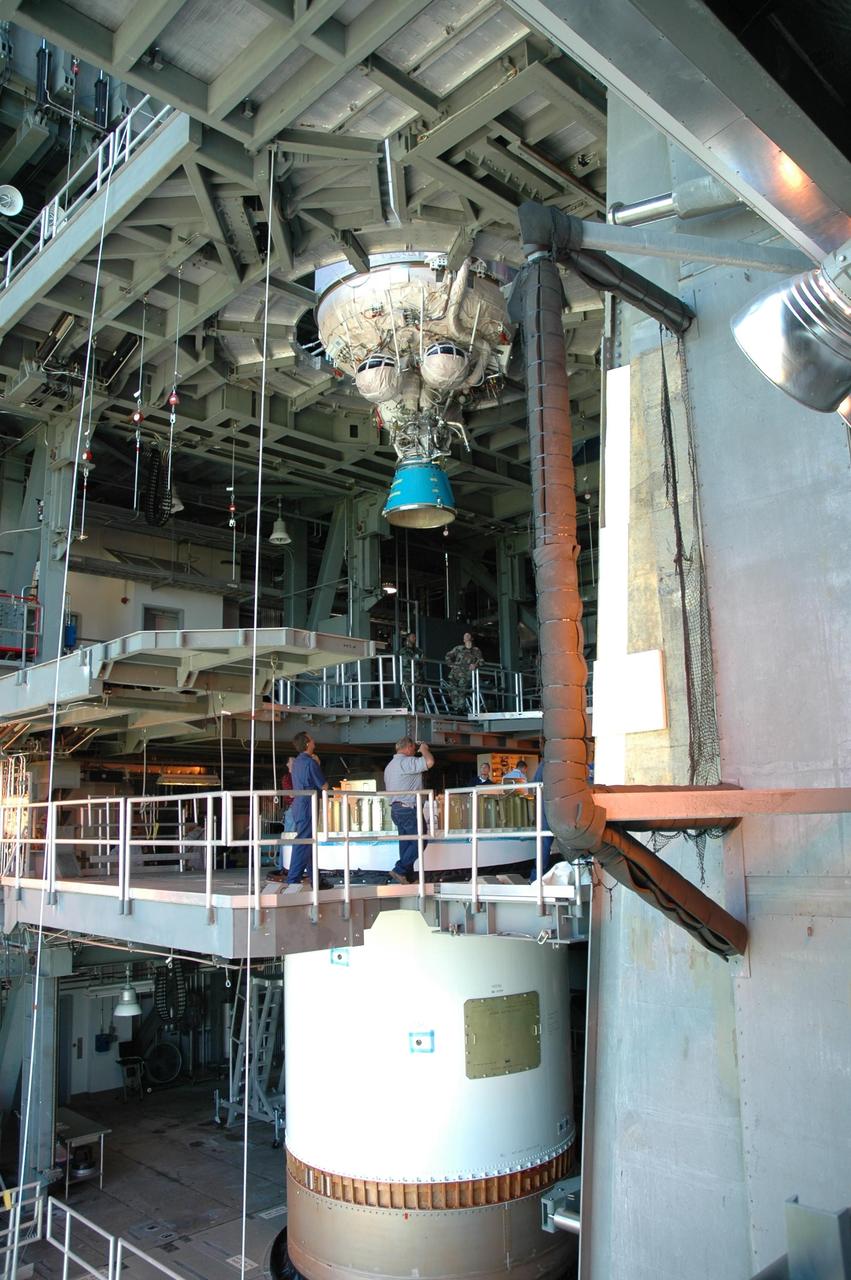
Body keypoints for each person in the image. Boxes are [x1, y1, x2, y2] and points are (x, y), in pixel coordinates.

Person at [384, 736, 434, 884]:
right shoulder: (406, 762)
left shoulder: (389, 766)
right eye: (413, 748)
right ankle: (399, 870)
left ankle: (407, 877)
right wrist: (425, 750)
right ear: (407, 748)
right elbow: (429, 762)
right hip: (408, 808)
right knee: (421, 840)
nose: (415, 751)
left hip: (395, 809)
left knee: (406, 844)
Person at [284, 732, 330, 889]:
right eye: (312, 740)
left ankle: (314, 878)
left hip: (299, 804)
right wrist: (317, 763)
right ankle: (293, 878)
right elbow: (323, 786)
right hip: (308, 805)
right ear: (307, 743)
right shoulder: (310, 763)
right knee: (304, 840)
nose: (314, 743)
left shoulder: (296, 763)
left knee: (307, 840)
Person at [444, 632, 482, 714]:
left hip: (465, 676)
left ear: (471, 638)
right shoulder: (458, 648)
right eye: (465, 636)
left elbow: (482, 661)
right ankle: (456, 708)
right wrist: (450, 664)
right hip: (454, 674)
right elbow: (448, 656)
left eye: (468, 635)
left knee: (461, 692)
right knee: (452, 691)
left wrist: (475, 665)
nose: (467, 637)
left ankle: (460, 710)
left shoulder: (476, 650)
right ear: (463, 640)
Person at [276, 756, 296, 874]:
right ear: (288, 764)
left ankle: (287, 865)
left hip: (296, 808)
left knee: (291, 837)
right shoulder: (287, 778)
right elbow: (292, 794)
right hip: (293, 809)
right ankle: (283, 866)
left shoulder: (295, 777)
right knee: (289, 837)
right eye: (292, 761)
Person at [396, 631, 425, 711]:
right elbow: (402, 661)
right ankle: (405, 712)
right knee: (407, 696)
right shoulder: (402, 651)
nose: (414, 639)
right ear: (407, 638)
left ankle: (421, 715)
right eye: (412, 637)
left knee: (420, 697)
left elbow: (422, 663)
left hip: (418, 678)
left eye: (415, 637)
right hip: (407, 677)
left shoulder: (419, 651)